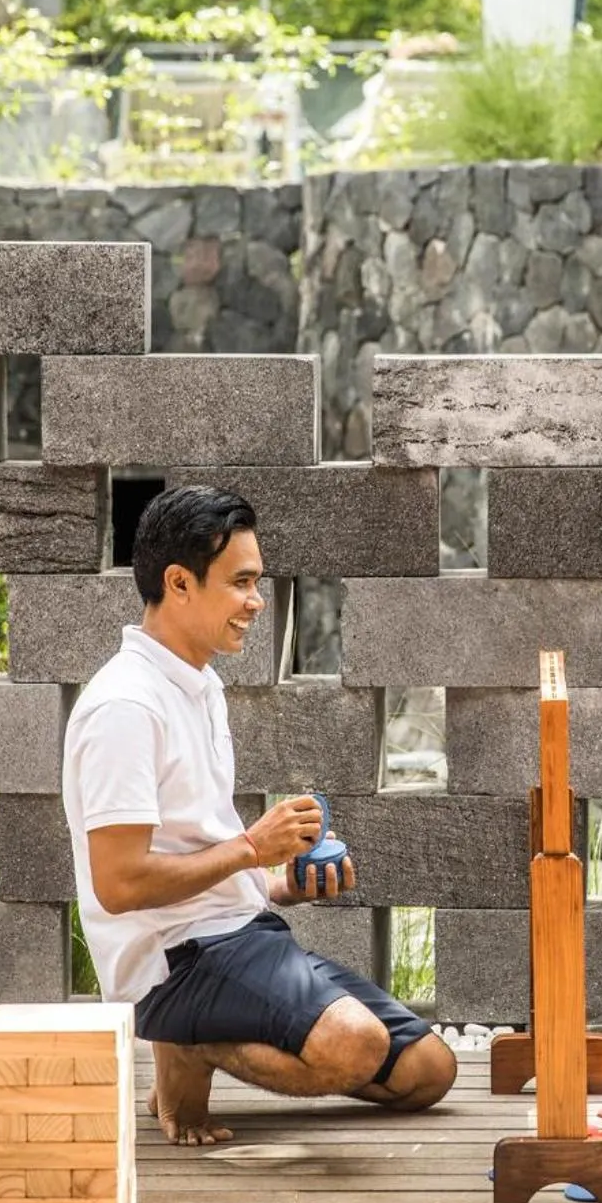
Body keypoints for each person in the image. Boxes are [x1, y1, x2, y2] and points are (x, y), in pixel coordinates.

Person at [62, 484, 458, 1145]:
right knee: (355, 1046)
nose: (256, 600)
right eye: (241, 582)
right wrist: (253, 846)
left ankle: (199, 1040)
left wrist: (278, 883)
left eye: (258, 581)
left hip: (242, 934)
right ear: (179, 583)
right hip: (177, 960)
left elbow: (195, 846)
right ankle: (182, 1038)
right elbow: (119, 882)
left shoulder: (198, 684)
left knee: (427, 1071)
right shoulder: (125, 707)